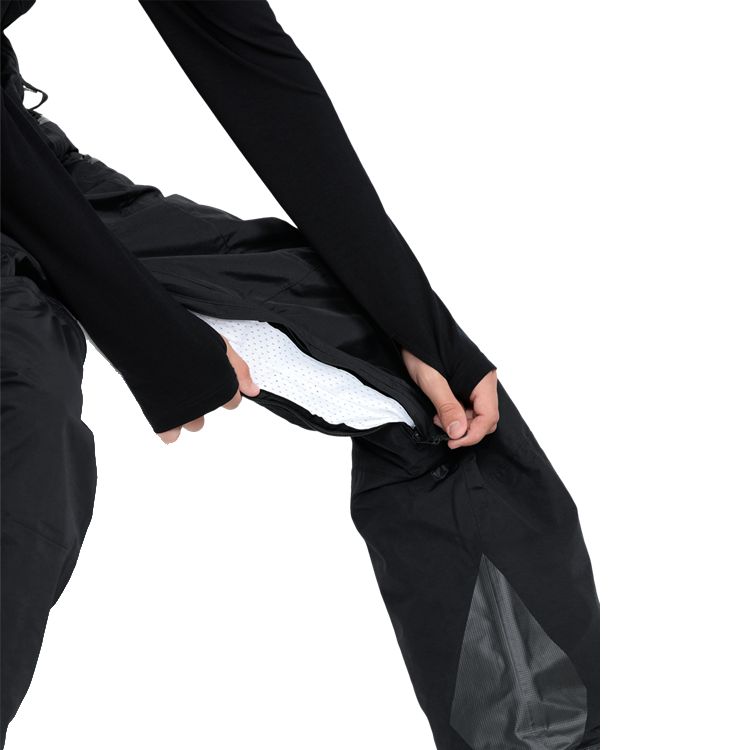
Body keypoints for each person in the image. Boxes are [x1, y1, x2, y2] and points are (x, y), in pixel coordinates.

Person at [2, 3, 599, 748]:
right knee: (22, 430)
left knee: (426, 403)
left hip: (24, 158)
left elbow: (247, 60)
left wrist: (418, 322)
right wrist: (144, 330)